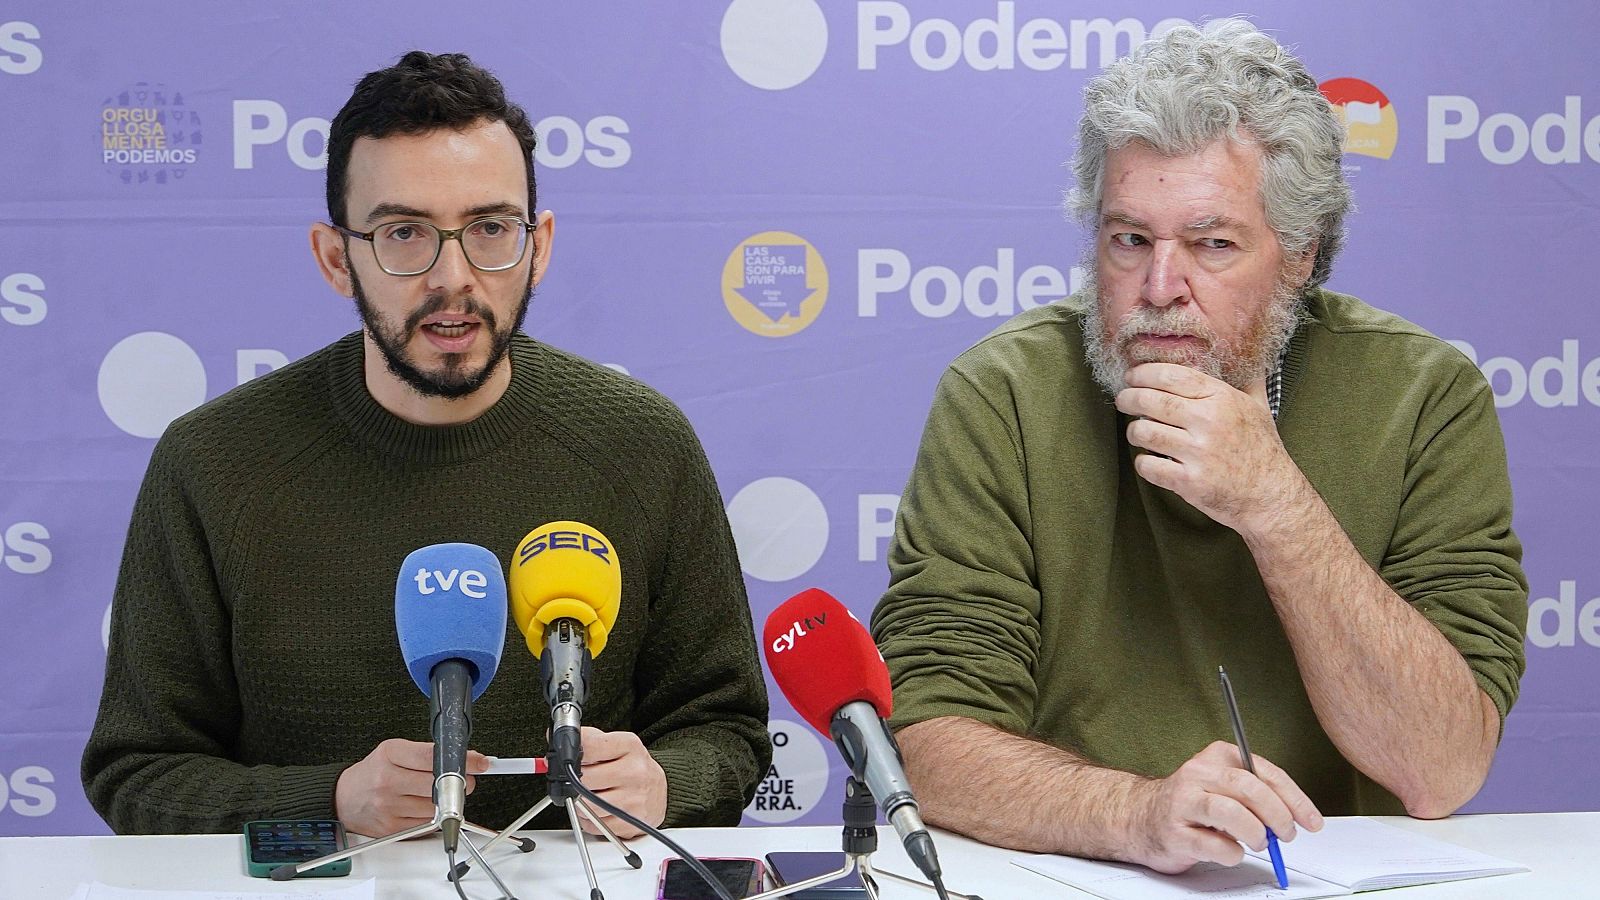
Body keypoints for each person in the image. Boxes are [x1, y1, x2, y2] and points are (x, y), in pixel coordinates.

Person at [870, 20, 1526, 875]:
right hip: (1071, 873)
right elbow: (923, 741)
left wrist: (1275, 504)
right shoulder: (1003, 395)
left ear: (1301, 256)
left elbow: (1441, 768)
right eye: (1129, 239)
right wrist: (1135, 814)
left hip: (1322, 879)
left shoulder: (1424, 395)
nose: (1159, 289)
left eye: (1212, 245)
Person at [82, 51, 770, 838]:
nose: (454, 275)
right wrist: (333, 801)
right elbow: (136, 771)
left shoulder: (643, 443)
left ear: (538, 245)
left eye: (489, 229)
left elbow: (730, 733)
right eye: (405, 233)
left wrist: (663, 785)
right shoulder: (213, 461)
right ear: (337, 257)